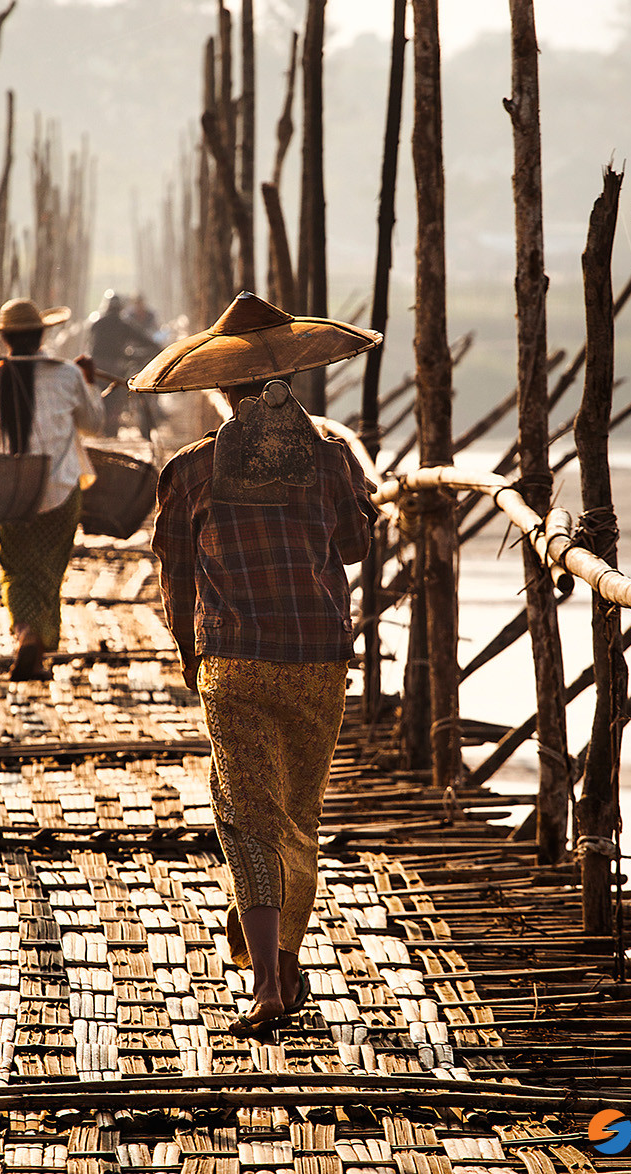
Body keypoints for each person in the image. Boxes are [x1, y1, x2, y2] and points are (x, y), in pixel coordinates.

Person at [136, 291, 381, 1038]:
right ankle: (282, 956)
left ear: (220, 389)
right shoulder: (330, 457)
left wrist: (190, 653)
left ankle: (270, 983)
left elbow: (175, 577)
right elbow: (356, 548)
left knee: (246, 817)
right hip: (317, 656)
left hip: (233, 661)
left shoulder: (191, 468)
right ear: (289, 380)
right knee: (297, 816)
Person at [0, 297, 107, 681]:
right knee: (49, 570)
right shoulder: (67, 374)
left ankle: (26, 633)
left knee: (14, 569)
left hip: (12, 493)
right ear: (43, 334)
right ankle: (39, 641)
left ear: (6, 339)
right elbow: (94, 424)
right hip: (63, 490)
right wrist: (89, 383)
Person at [88, 290, 161, 435]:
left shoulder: (97, 323)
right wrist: (159, 349)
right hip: (115, 367)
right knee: (115, 398)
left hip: (97, 368)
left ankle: (100, 427)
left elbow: (89, 346)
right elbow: (144, 339)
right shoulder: (123, 324)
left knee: (100, 397)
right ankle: (111, 427)